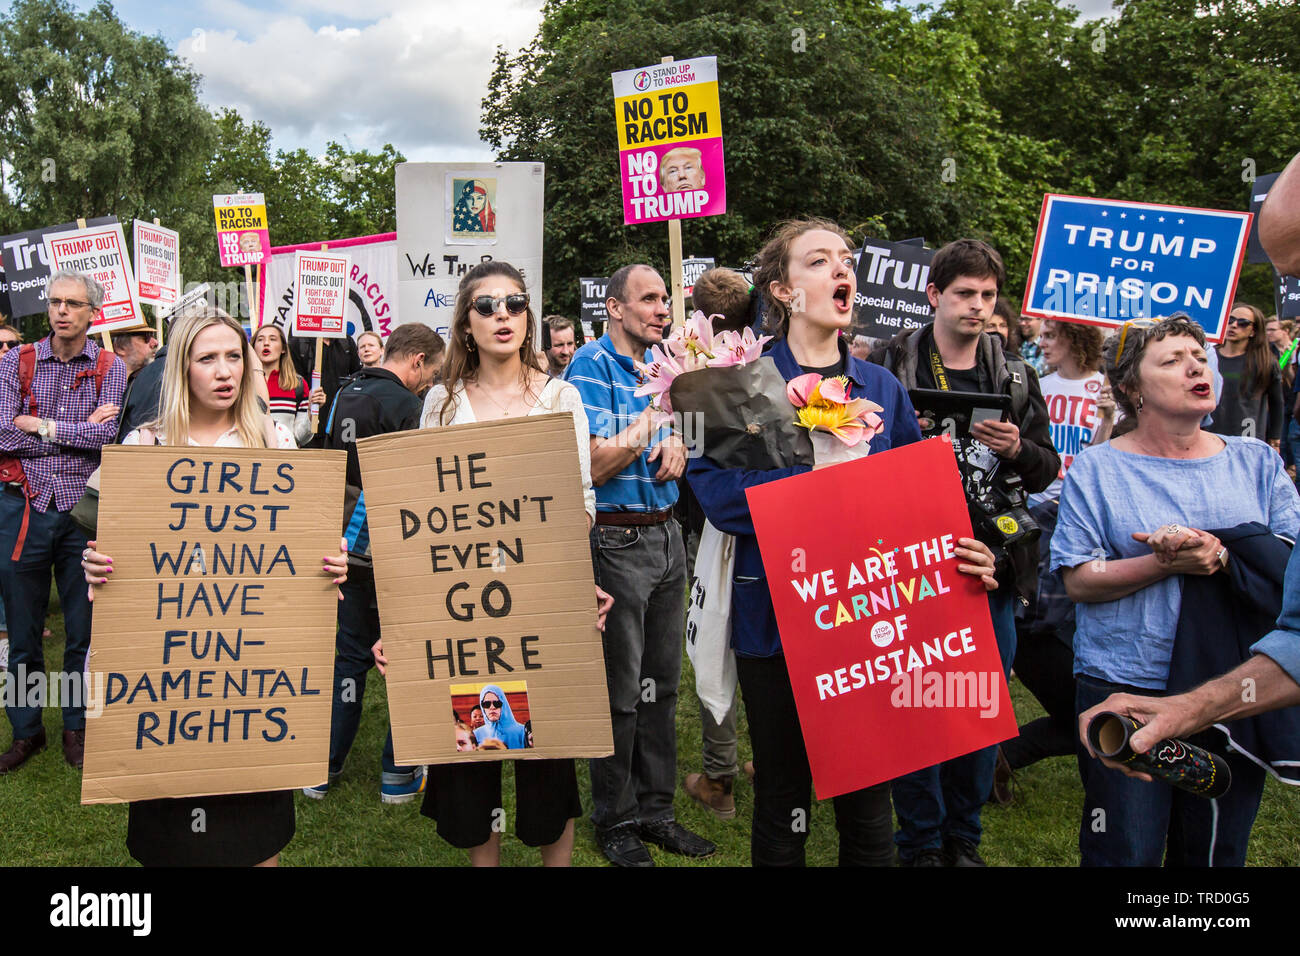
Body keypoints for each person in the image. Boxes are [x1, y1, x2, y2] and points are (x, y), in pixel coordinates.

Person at [688, 219, 998, 866]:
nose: (842, 271)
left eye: (846, 259)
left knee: (866, 794)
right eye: (819, 260)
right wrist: (822, 480)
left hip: (866, 620)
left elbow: (920, 500)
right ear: (783, 289)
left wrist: (966, 549)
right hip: (772, 618)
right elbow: (716, 496)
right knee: (782, 793)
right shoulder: (737, 383)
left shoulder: (882, 389)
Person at [81, 306, 348, 865]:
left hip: (253, 687)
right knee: (174, 846)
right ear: (182, 368)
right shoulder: (144, 448)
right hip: (169, 688)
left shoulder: (273, 443)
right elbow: (115, 546)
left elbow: (304, 546)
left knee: (256, 842)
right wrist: (99, 566)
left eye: (234, 356)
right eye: (207, 358)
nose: (224, 370)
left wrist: (330, 564)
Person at [1051, 315, 1300, 866]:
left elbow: (1292, 566)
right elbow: (1078, 580)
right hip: (1125, 681)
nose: (1195, 366)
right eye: (1171, 360)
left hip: (1231, 682)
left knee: (1214, 851)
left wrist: (1223, 555)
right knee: (1125, 846)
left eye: (1198, 355)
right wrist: (1162, 564)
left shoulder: (1256, 461)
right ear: (1132, 388)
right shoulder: (1097, 469)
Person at [412, 259, 610, 867]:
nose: (504, 315)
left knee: (548, 752)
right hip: (464, 603)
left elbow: (579, 499)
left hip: (540, 599)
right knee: (474, 742)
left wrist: (569, 578)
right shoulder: (441, 404)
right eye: (487, 306)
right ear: (465, 325)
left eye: (515, 303)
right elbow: (421, 509)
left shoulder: (561, 397)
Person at [870, 239, 1060, 866]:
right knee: (914, 704)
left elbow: (1045, 469)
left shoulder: (1014, 374)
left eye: (987, 295)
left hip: (991, 562)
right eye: (964, 294)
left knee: (978, 706)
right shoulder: (891, 365)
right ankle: (919, 843)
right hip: (907, 558)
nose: (979, 307)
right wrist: (902, 442)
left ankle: (964, 840)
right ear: (934, 296)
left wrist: (1015, 449)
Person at [565, 262, 715, 866]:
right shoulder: (588, 369)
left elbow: (698, 447)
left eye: (665, 300)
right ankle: (616, 819)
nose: (661, 310)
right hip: (618, 542)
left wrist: (681, 437)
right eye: (648, 300)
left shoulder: (671, 369)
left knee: (663, 687)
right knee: (620, 692)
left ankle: (658, 812)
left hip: (668, 537)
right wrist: (651, 424)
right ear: (615, 309)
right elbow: (594, 464)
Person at [308, 322, 445, 803]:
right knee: (407, 656)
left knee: (347, 658)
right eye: (431, 373)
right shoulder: (410, 406)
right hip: (394, 547)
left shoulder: (344, 392)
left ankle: (321, 768)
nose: (430, 383)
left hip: (342, 548)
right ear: (417, 361)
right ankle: (398, 774)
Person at [0, 270, 126, 773]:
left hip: (84, 512)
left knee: (83, 632)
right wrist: (77, 431)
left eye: (73, 303)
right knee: (24, 635)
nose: (61, 311)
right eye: (54, 302)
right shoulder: (17, 360)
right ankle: (27, 731)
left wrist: (44, 426)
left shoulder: (110, 366)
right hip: (23, 507)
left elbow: (108, 438)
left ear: (92, 312)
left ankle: (77, 727)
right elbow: (4, 435)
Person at [993, 319, 1114, 803]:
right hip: (1034, 515)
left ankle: (1003, 753)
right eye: (1039, 336)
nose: (1040, 343)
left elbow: (1103, 467)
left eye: (1050, 336)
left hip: (1082, 519)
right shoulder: (1033, 384)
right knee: (1036, 618)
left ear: (1075, 339)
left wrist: (1107, 418)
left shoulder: (1103, 390)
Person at [678, 266, 758, 820]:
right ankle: (769, 761)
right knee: (758, 641)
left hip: (712, 526)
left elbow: (687, 455)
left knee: (715, 637)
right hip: (768, 520)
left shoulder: (687, 375)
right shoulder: (775, 364)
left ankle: (720, 777)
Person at [1208, 302, 1283, 451]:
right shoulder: (1207, 357)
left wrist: (1275, 439)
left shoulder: (1265, 363)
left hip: (1247, 436)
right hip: (1209, 434)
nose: (1234, 325)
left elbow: (1277, 403)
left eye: (1243, 323)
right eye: (1230, 320)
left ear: (1253, 331)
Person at [252, 324, 311, 446]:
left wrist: (311, 413)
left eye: (272, 339)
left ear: (283, 348)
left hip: (284, 459)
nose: (266, 343)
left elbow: (300, 438)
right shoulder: (240, 383)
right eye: (260, 339)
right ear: (253, 348)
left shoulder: (298, 384)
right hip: (249, 456)